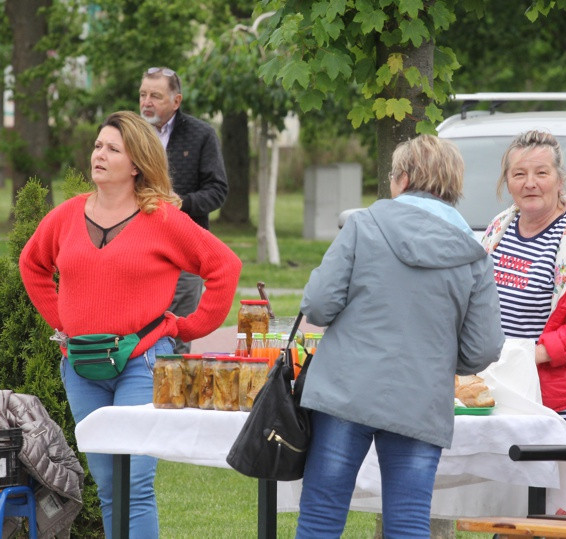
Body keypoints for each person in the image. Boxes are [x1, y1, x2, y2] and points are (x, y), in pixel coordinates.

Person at [19, 111, 242, 537]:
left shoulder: (162, 219)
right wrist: (63, 321)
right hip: (81, 368)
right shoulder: (67, 215)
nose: (99, 155)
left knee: (134, 484)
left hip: (141, 363)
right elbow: (32, 265)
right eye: (98, 146)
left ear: (136, 162)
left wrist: (189, 328)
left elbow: (224, 266)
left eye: (112, 149)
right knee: (107, 485)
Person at [296, 134, 505, 538]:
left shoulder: (362, 224)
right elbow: (484, 348)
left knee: (321, 516)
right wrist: (438, 355)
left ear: (403, 179)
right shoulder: (474, 254)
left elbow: (318, 305)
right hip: (420, 395)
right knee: (409, 522)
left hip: (345, 389)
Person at [480, 130, 566, 447]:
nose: (530, 183)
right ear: (507, 181)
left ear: (560, 180)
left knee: (555, 494)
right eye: (519, 174)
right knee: (504, 490)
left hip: (562, 398)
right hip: (502, 383)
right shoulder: (498, 229)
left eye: (541, 173)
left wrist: (531, 355)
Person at [139, 66, 228, 353]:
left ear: (176, 101)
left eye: (155, 95)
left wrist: (184, 203)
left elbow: (218, 190)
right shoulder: (130, 135)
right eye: (143, 94)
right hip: (138, 249)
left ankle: (171, 397)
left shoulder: (201, 134)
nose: (146, 102)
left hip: (186, 252)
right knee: (137, 332)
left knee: (176, 338)